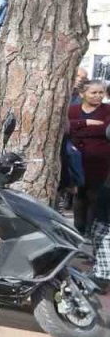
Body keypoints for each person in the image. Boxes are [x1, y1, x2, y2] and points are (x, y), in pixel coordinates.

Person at [69, 79, 110, 232]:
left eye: (101, 93)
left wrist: (77, 126)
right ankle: (78, 230)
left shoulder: (107, 110)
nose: (98, 96)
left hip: (99, 161)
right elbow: (66, 127)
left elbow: (104, 130)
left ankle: (90, 233)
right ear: (82, 94)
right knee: (79, 195)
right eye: (93, 92)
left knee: (95, 196)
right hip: (75, 160)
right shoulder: (72, 110)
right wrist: (86, 123)